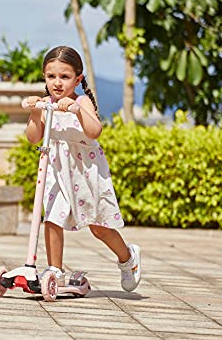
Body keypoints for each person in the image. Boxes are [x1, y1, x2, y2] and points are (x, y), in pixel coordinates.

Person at [22, 45, 142, 292]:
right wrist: (35, 113)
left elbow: (94, 130)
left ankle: (127, 258)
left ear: (77, 79)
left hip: (85, 171)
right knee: (52, 217)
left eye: (64, 77)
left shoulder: (82, 101)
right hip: (57, 171)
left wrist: (76, 111)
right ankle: (56, 270)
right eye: (51, 76)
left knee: (98, 226)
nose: (57, 83)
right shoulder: (46, 104)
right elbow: (34, 138)